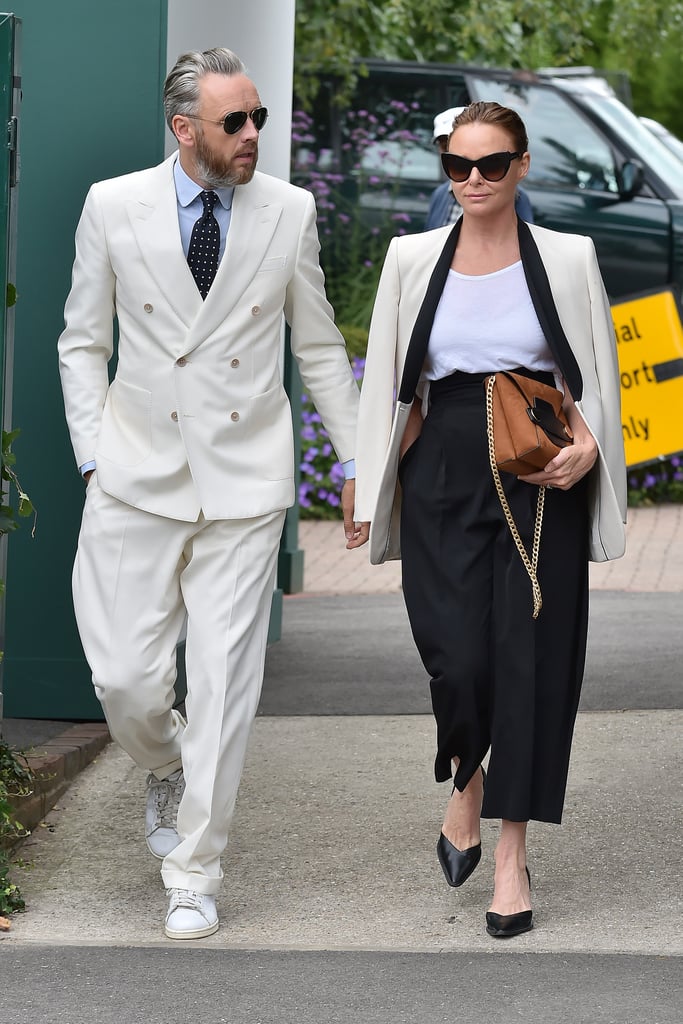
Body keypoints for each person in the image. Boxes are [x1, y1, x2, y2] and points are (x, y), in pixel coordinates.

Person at [58, 47, 361, 940]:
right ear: (183, 129)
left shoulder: (289, 211)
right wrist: (90, 457)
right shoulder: (113, 205)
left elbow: (315, 351)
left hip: (243, 481)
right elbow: (82, 341)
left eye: (258, 116)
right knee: (125, 682)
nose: (254, 134)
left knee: (226, 684)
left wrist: (357, 467)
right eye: (236, 121)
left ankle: (194, 871)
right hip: (132, 475)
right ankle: (162, 758)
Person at [350, 102, 626, 938]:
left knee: (532, 660)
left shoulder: (568, 258)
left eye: (492, 165)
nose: (473, 181)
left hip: (537, 465)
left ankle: (511, 856)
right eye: (457, 167)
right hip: (439, 471)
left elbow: (596, 379)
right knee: (457, 658)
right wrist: (368, 492)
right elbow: (394, 387)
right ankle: (465, 780)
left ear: (522, 165)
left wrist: (586, 448)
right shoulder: (411, 258)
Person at [424, 106, 534, 229]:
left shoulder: (515, 197)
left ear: (522, 165)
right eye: (444, 145)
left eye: (492, 163)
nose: (474, 178)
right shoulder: (440, 194)